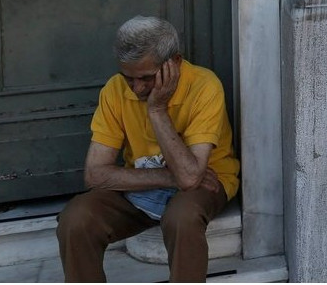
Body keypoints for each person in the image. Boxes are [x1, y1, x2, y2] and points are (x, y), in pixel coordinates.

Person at [56, 16, 240, 282]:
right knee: (76, 218)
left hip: (207, 183)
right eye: (128, 78)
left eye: (146, 78)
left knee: (183, 217)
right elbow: (95, 175)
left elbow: (190, 178)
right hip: (146, 183)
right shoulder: (115, 90)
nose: (137, 88)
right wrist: (167, 176)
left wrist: (157, 109)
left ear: (174, 62)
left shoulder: (204, 86)